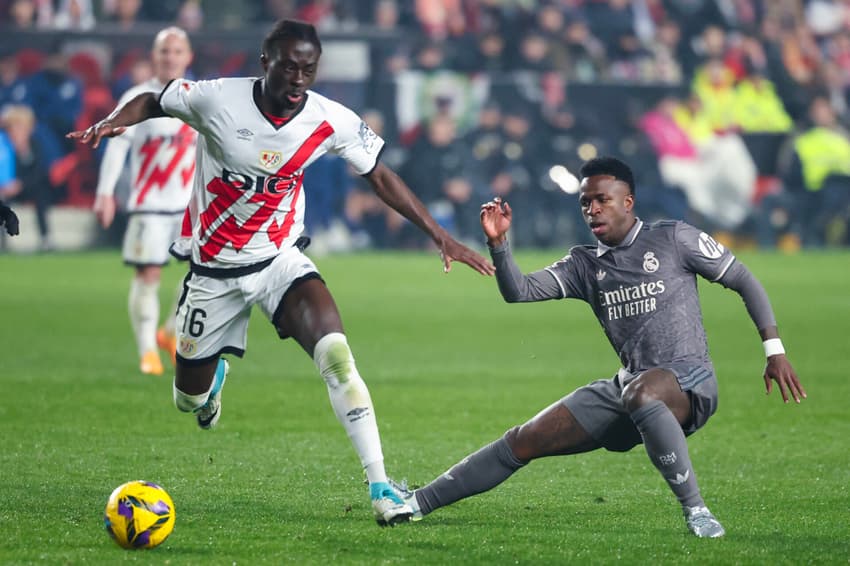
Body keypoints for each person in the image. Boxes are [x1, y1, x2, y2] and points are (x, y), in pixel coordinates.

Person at [68, 19, 494, 527]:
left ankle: (382, 489)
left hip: (279, 260)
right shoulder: (216, 98)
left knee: (337, 357)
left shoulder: (328, 119)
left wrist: (439, 234)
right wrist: (114, 122)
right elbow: (155, 98)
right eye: (289, 66)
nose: (298, 78)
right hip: (213, 274)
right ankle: (213, 379)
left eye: (308, 68)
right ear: (264, 62)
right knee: (188, 399)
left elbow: (379, 173)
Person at [394, 156, 805, 537]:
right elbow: (518, 292)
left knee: (642, 393)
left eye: (601, 200)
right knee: (522, 440)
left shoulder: (675, 238)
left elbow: (743, 280)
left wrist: (775, 351)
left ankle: (697, 510)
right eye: (585, 202)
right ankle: (414, 503)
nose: (592, 210)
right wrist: (500, 246)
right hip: (627, 387)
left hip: (689, 380)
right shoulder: (583, 264)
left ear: (627, 202)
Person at [92, 27, 196, 376]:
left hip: (190, 207)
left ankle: (170, 331)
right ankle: (147, 350)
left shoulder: (199, 96)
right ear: (155, 57)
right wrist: (105, 193)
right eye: (164, 51)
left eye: (177, 51)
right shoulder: (138, 96)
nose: (170, 57)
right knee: (148, 273)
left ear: (188, 57)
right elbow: (117, 144)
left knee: (201, 275)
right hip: (149, 203)